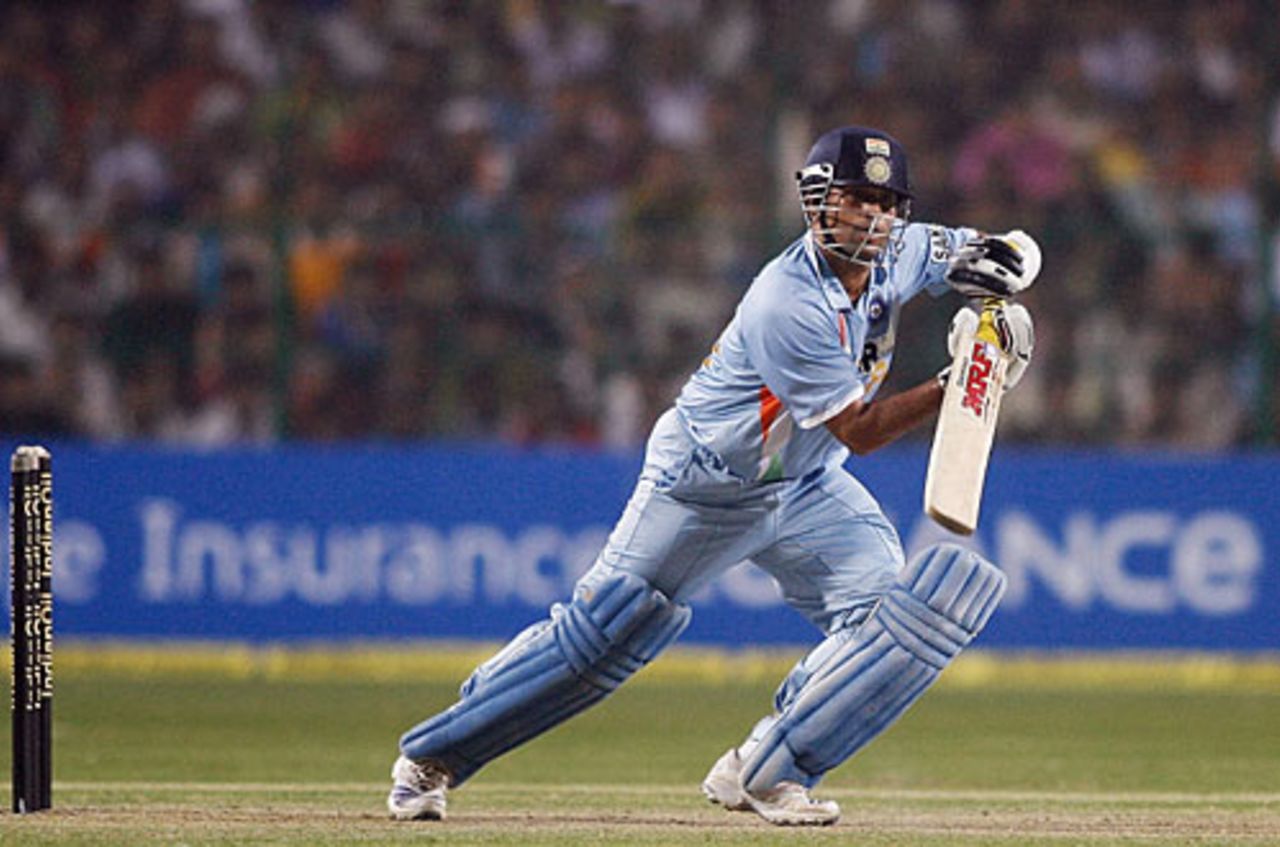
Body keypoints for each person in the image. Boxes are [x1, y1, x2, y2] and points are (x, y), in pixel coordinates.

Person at [386, 125, 1039, 826]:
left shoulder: (903, 248)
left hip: (805, 483)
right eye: (855, 199)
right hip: (706, 484)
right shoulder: (787, 301)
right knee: (607, 632)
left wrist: (1005, 286)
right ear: (818, 202)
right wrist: (961, 380)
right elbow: (861, 430)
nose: (871, 217)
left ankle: (770, 768)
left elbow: (996, 252)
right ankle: (431, 758)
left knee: (897, 623)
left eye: (885, 203)